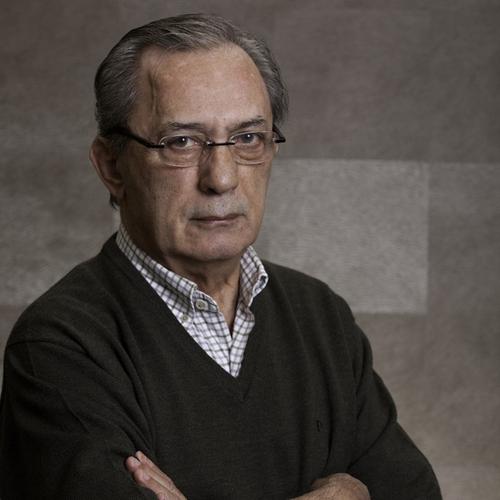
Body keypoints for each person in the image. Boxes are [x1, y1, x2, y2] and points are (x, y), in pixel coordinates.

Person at [0, 13, 442, 500]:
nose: (222, 178)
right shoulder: (61, 345)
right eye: (181, 142)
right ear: (112, 167)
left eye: (248, 138)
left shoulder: (322, 317)